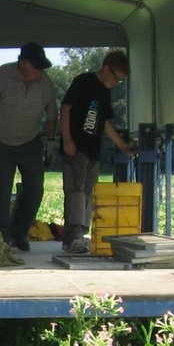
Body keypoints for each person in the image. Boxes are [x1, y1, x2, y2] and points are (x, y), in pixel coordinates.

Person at [0, 41, 57, 252]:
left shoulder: (44, 82)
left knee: (35, 187)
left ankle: (20, 232)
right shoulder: (2, 76)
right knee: (0, 192)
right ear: (23, 64)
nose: (39, 72)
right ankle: (2, 238)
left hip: (30, 141)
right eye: (36, 67)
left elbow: (52, 114)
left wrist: (52, 142)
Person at [59, 49, 137, 255]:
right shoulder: (83, 82)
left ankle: (82, 234)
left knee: (88, 192)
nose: (114, 83)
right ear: (106, 69)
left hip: (93, 150)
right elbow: (66, 109)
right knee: (75, 190)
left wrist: (121, 145)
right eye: (115, 78)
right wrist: (66, 138)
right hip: (75, 146)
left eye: (119, 81)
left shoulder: (105, 92)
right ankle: (71, 237)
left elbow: (104, 123)